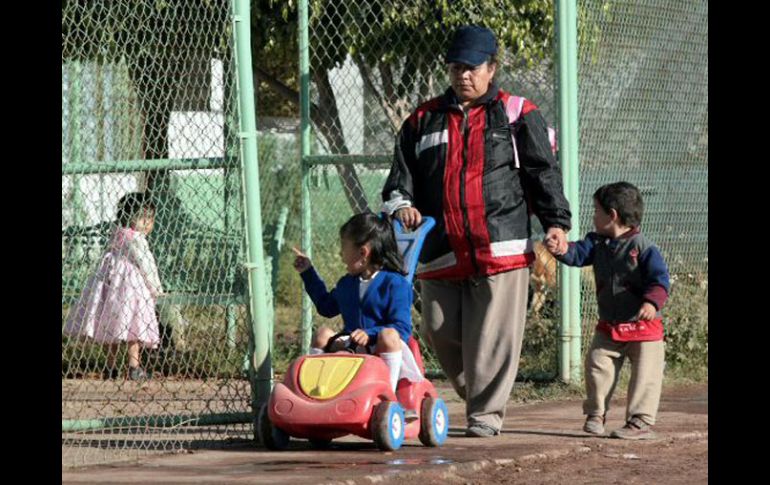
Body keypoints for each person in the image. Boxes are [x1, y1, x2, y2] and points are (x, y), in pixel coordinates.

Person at [381, 25, 572, 437]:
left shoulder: (519, 112)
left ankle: (485, 415)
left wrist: (555, 222)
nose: (462, 75)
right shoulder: (422, 119)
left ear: (492, 68)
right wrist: (404, 205)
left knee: (493, 337)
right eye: (455, 67)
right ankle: (479, 394)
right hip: (441, 247)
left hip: (499, 245)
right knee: (437, 328)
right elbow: (400, 179)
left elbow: (543, 173)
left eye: (471, 67)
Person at [547, 182, 670, 440]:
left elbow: (660, 281)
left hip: (644, 330)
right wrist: (561, 249)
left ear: (612, 215)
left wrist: (651, 303)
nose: (593, 216)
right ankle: (596, 414)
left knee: (646, 375)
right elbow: (577, 254)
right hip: (610, 326)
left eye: (596, 210)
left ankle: (640, 422)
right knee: (596, 365)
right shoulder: (597, 242)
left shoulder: (643, 247)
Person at [291, 212, 424, 417]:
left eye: (344, 247)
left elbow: (402, 329)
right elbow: (326, 307)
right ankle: (312, 395)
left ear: (363, 252)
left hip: (382, 346)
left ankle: (386, 398)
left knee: (388, 335)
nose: (340, 254)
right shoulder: (347, 284)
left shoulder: (394, 283)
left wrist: (371, 333)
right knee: (322, 334)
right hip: (354, 345)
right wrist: (308, 272)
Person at [64, 192, 164, 381]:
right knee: (133, 324)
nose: (150, 223)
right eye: (148, 219)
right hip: (130, 284)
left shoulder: (116, 233)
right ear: (139, 219)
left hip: (110, 285)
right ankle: (134, 366)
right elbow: (146, 263)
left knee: (112, 326)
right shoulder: (136, 238)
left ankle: (110, 368)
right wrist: (155, 287)